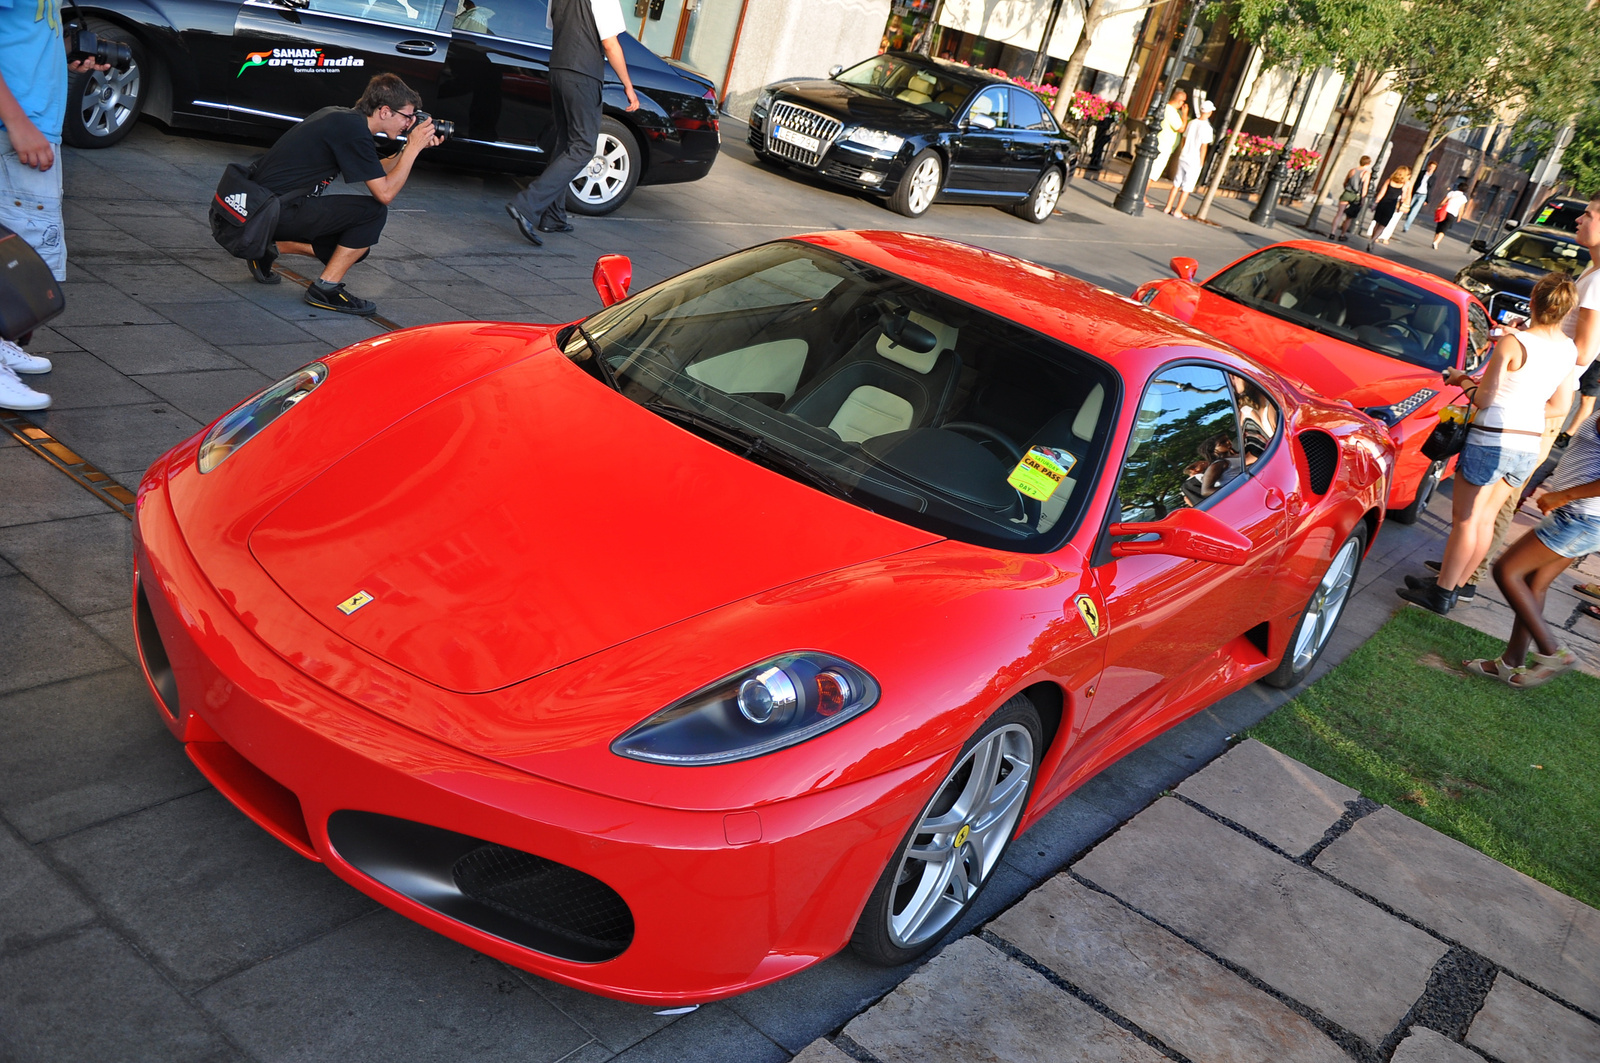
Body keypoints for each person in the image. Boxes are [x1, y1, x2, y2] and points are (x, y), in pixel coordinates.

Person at [1399, 272, 1578, 614]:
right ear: (1566, 310)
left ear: (1534, 301)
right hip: (1528, 443)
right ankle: (1452, 586)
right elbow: (1560, 407)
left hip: (1493, 437)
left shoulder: (1515, 343)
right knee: (1486, 518)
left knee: (1467, 519)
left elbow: (1483, 398)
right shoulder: (1568, 350)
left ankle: (1441, 593)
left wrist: (1460, 379)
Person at [246, 74, 442, 316]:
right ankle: (324, 289)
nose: (410, 124)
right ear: (384, 111)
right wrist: (412, 148)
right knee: (372, 213)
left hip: (260, 208)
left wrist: (412, 148)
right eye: (407, 116)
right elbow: (385, 194)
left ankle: (270, 246)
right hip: (272, 211)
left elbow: (377, 170)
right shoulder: (353, 131)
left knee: (357, 247)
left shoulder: (344, 119)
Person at [0, 2, 109, 411]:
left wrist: (66, 52)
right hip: (15, 127)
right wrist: (16, 121)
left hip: (32, 122)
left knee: (14, 252)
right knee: (14, 253)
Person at [1464, 409, 1600, 687]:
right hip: (1580, 516)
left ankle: (1553, 652)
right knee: (1532, 582)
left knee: (1506, 571)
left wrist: (1564, 495)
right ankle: (1510, 663)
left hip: (1580, 516)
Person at [505, 0, 639, 245]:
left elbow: (557, 26)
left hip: (558, 69)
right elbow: (610, 43)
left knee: (565, 142)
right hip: (583, 75)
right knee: (584, 147)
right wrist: (628, 86)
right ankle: (527, 204)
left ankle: (553, 216)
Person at [1164, 98, 1215, 218]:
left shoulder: (1192, 122)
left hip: (1184, 155)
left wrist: (1183, 149)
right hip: (1194, 159)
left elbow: (1184, 139)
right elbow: (1204, 147)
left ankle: (1168, 206)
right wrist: (1201, 162)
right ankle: (1178, 210)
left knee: (1177, 182)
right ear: (1209, 112)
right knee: (1187, 186)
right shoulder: (1207, 128)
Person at [1146, 89, 1187, 200]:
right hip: (1163, 146)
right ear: (1180, 101)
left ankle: (1142, 194)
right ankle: (1143, 195)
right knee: (1153, 173)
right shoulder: (1170, 111)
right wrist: (1185, 114)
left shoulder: (1168, 109)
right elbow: (1181, 128)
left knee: (1152, 172)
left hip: (1165, 145)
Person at [1330, 156, 1371, 242]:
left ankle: (1332, 233)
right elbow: (1364, 188)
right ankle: (1342, 234)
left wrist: (1346, 189)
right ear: (1368, 164)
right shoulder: (1366, 174)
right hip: (1356, 196)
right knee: (1349, 217)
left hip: (1347, 193)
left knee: (1339, 214)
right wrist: (1363, 199)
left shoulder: (1352, 170)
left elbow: (1345, 182)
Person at [1372, 165, 1411, 245]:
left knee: (1377, 223)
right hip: (1391, 205)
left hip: (1382, 203)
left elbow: (1381, 193)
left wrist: (1375, 203)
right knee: (1383, 225)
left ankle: (1372, 238)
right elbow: (1403, 198)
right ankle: (1373, 240)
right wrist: (1401, 206)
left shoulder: (1389, 181)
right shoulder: (1404, 184)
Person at [1431, 179, 1469, 250]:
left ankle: (1434, 241)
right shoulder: (1463, 198)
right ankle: (1436, 242)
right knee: (1444, 229)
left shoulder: (1451, 193)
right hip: (1452, 214)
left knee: (1439, 227)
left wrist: (1438, 207)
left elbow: (1443, 202)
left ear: (1458, 187)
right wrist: (1460, 216)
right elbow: (1462, 208)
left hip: (1444, 211)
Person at [1402, 160, 1436, 232]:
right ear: (1428, 166)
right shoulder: (1422, 173)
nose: (1431, 168)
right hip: (1416, 193)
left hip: (1423, 195)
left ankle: (1406, 227)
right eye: (1431, 167)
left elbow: (1431, 188)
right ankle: (1403, 218)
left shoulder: (1433, 177)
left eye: (1433, 168)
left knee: (1414, 211)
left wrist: (1427, 200)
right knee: (1408, 207)